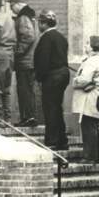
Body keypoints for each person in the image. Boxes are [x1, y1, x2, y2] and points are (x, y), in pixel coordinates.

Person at [71, 36, 99, 164]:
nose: (86, 46)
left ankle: (89, 156)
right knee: (95, 125)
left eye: (87, 43)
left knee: (88, 125)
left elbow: (84, 79)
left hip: (89, 96)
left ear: (93, 46)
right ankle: (98, 156)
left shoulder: (91, 61)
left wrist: (75, 81)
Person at [32, 10, 68, 149]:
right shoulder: (60, 37)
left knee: (50, 108)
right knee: (57, 108)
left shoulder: (46, 38)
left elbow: (43, 60)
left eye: (40, 23)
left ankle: (52, 140)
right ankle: (62, 140)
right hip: (62, 74)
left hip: (52, 76)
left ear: (43, 23)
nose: (39, 26)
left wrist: (39, 78)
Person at [9, 0, 39, 126]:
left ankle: (27, 117)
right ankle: (29, 117)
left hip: (25, 62)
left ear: (17, 4)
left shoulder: (23, 18)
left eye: (11, 6)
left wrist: (17, 52)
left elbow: (28, 36)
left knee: (24, 90)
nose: (11, 9)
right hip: (30, 60)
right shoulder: (30, 16)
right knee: (28, 89)